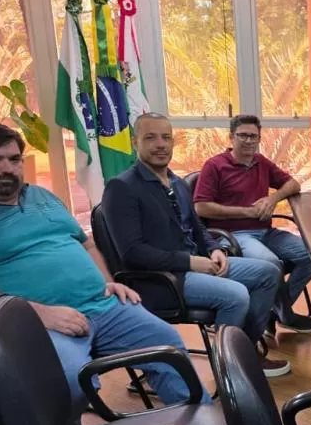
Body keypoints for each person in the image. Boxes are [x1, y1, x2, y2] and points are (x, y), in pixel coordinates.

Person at [0, 122, 205, 417]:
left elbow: (87, 245)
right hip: (29, 325)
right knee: (68, 380)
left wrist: (108, 282)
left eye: (14, 159)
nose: (7, 168)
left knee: (168, 346)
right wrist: (41, 314)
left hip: (102, 306)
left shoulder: (42, 197)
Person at [103, 113, 290, 378]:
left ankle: (244, 352)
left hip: (197, 265)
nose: (160, 144)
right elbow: (132, 253)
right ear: (135, 142)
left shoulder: (177, 183)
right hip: (163, 279)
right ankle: (230, 374)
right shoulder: (121, 187)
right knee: (237, 295)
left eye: (166, 137)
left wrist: (215, 249)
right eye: (150, 138)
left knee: (269, 273)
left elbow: (198, 227)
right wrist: (190, 262)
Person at [193, 114, 311, 336]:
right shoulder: (215, 166)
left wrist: (272, 199)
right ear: (231, 137)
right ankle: (285, 315)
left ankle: (274, 312)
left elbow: (294, 184)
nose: (249, 141)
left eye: (254, 136)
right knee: (271, 263)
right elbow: (201, 208)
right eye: (243, 136)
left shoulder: (261, 162)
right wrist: (247, 211)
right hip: (234, 235)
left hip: (266, 232)